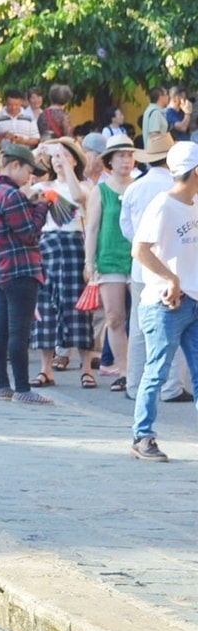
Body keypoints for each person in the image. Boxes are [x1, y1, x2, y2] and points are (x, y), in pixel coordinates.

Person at [128, 141, 198, 462]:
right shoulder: (162, 205)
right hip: (163, 303)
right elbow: (139, 250)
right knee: (156, 371)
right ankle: (142, 435)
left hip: (193, 300)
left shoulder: (194, 204)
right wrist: (171, 279)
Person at [0, 142, 53, 403]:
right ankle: (22, 389)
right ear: (15, 166)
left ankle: (3, 386)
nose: (29, 179)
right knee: (19, 331)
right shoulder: (11, 195)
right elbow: (30, 233)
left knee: (1, 330)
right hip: (21, 268)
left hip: (0, 268)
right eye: (28, 173)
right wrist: (42, 207)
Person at [122, 132, 192, 401]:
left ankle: (133, 384)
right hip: (176, 268)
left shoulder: (135, 187)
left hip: (142, 268)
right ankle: (171, 386)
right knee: (176, 333)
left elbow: (126, 227)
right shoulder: (176, 192)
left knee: (139, 330)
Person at [31, 140, 95, 388]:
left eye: (65, 155)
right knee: (45, 306)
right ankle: (45, 369)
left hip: (73, 244)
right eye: (56, 156)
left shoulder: (84, 187)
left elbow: (79, 197)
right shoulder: (42, 186)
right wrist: (37, 153)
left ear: (75, 159)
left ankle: (86, 368)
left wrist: (67, 164)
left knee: (77, 307)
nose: (58, 159)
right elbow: (24, 192)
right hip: (47, 244)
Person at [84, 134, 136, 389]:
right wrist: (89, 262)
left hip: (138, 259)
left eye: (129, 155)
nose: (126, 160)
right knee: (115, 317)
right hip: (110, 259)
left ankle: (139, 370)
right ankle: (123, 371)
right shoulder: (100, 190)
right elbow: (92, 228)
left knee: (140, 318)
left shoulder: (140, 186)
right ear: (110, 161)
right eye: (120, 156)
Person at [0, 95, 40, 162]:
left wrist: (23, 141)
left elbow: (35, 139)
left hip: (24, 156)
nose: (13, 107)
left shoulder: (29, 117)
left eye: (16, 105)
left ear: (21, 102)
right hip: (5, 156)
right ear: (6, 102)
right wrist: (3, 135)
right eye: (10, 105)